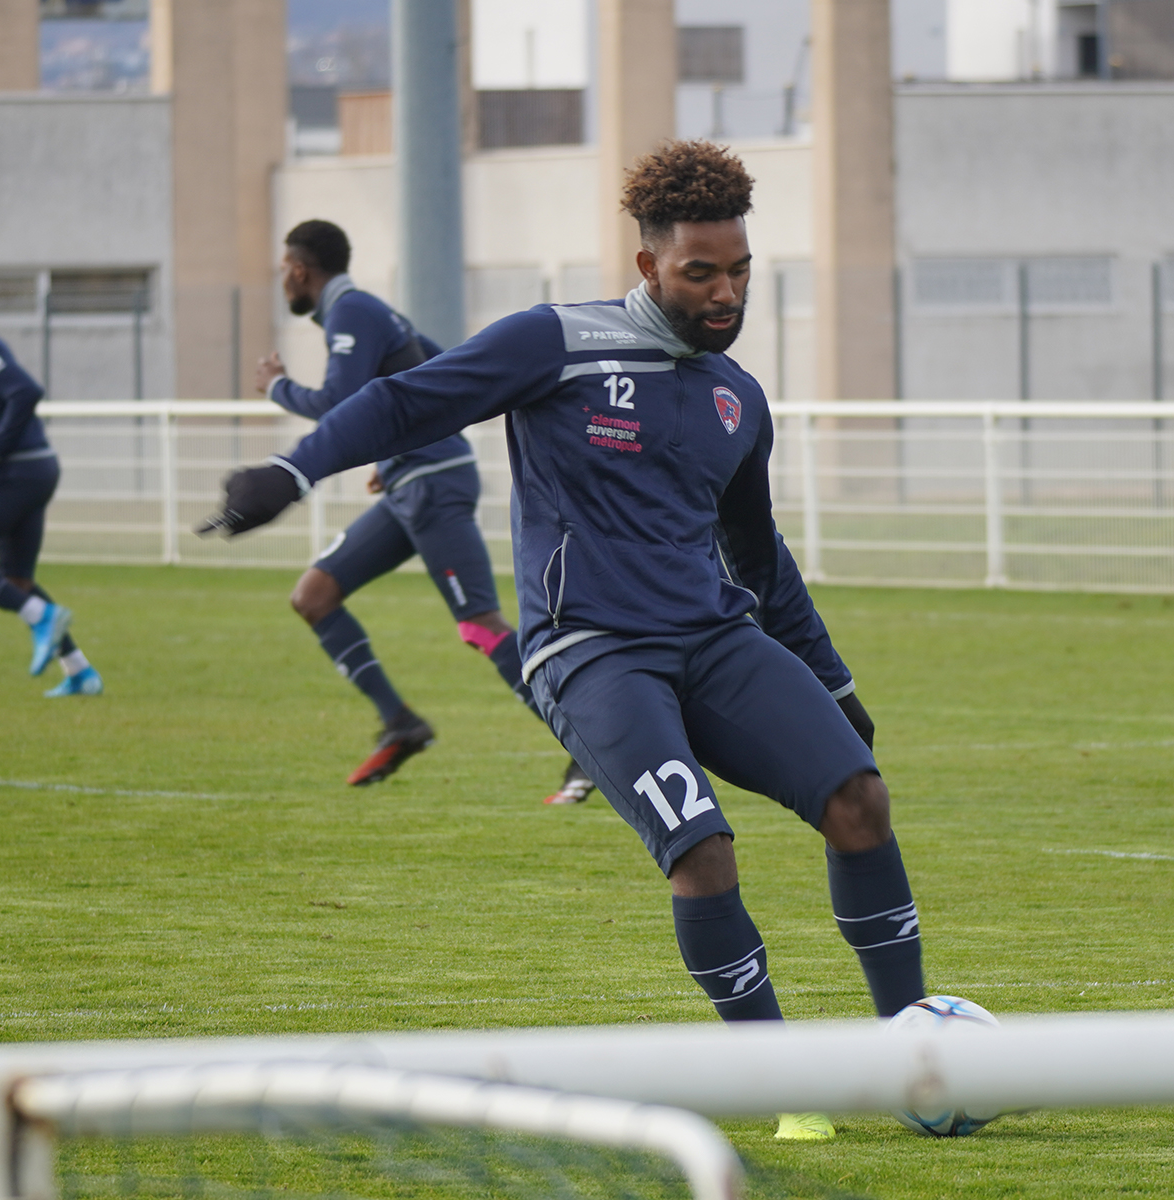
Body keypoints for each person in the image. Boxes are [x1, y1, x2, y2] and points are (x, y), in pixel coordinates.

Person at [203, 143, 924, 1138]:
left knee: (859, 800)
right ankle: (785, 1080)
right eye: (699, 273)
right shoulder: (556, 342)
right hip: (588, 653)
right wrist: (291, 472)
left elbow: (759, 558)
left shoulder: (737, 399)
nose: (725, 293)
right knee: (702, 850)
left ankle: (917, 1054)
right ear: (648, 268)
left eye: (741, 269)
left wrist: (833, 685)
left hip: (713, 641)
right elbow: (413, 399)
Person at [255, 220, 593, 800]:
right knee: (313, 596)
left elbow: (341, 405)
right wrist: (393, 454)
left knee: (480, 625)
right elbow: (439, 373)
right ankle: (401, 722)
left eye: (284, 268)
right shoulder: (372, 313)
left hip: (432, 485)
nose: (283, 278)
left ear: (300, 269)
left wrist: (276, 388)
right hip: (413, 483)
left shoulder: (353, 311)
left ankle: (587, 750)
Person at [0, 276, 102, 696]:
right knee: (17, 580)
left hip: (18, 473)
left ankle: (41, 617)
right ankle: (80, 673)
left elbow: (26, 392)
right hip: (30, 469)